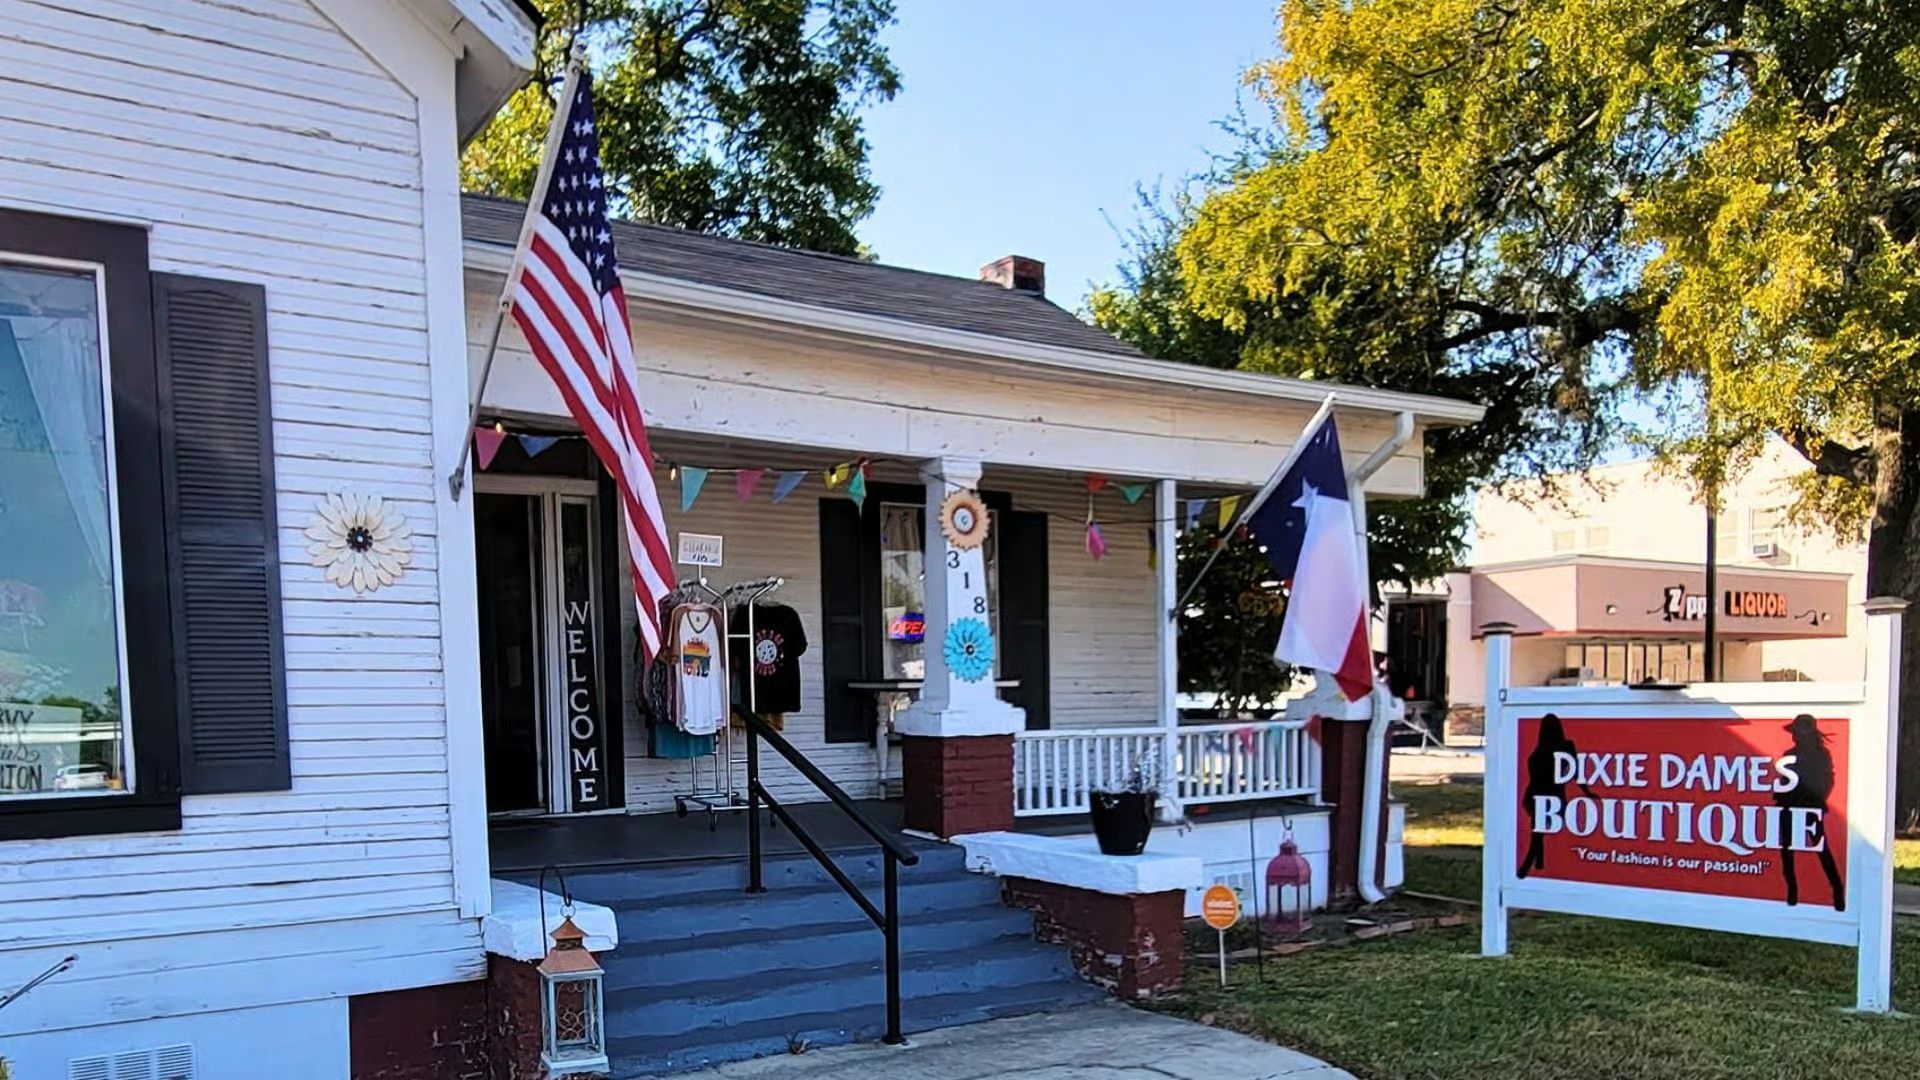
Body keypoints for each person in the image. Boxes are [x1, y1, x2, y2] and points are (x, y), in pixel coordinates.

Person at [1775, 713, 1844, 910]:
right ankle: (1792, 894)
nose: (1796, 736)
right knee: (1787, 851)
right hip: (1788, 808)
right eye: (1795, 733)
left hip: (1810, 808)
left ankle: (1838, 891)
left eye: (1799, 732)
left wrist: (1816, 799)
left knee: (1821, 849)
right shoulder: (1789, 754)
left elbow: (1828, 780)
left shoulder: (1822, 755)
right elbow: (1783, 782)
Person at [1517, 713, 1595, 879]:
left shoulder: (1549, 751)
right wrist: (1586, 792)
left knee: (1538, 830)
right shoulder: (1547, 750)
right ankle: (1533, 865)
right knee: (1537, 830)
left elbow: (1575, 772)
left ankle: (1533, 865)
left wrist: (1587, 792)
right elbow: (1576, 773)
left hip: (1546, 796)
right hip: (1542, 795)